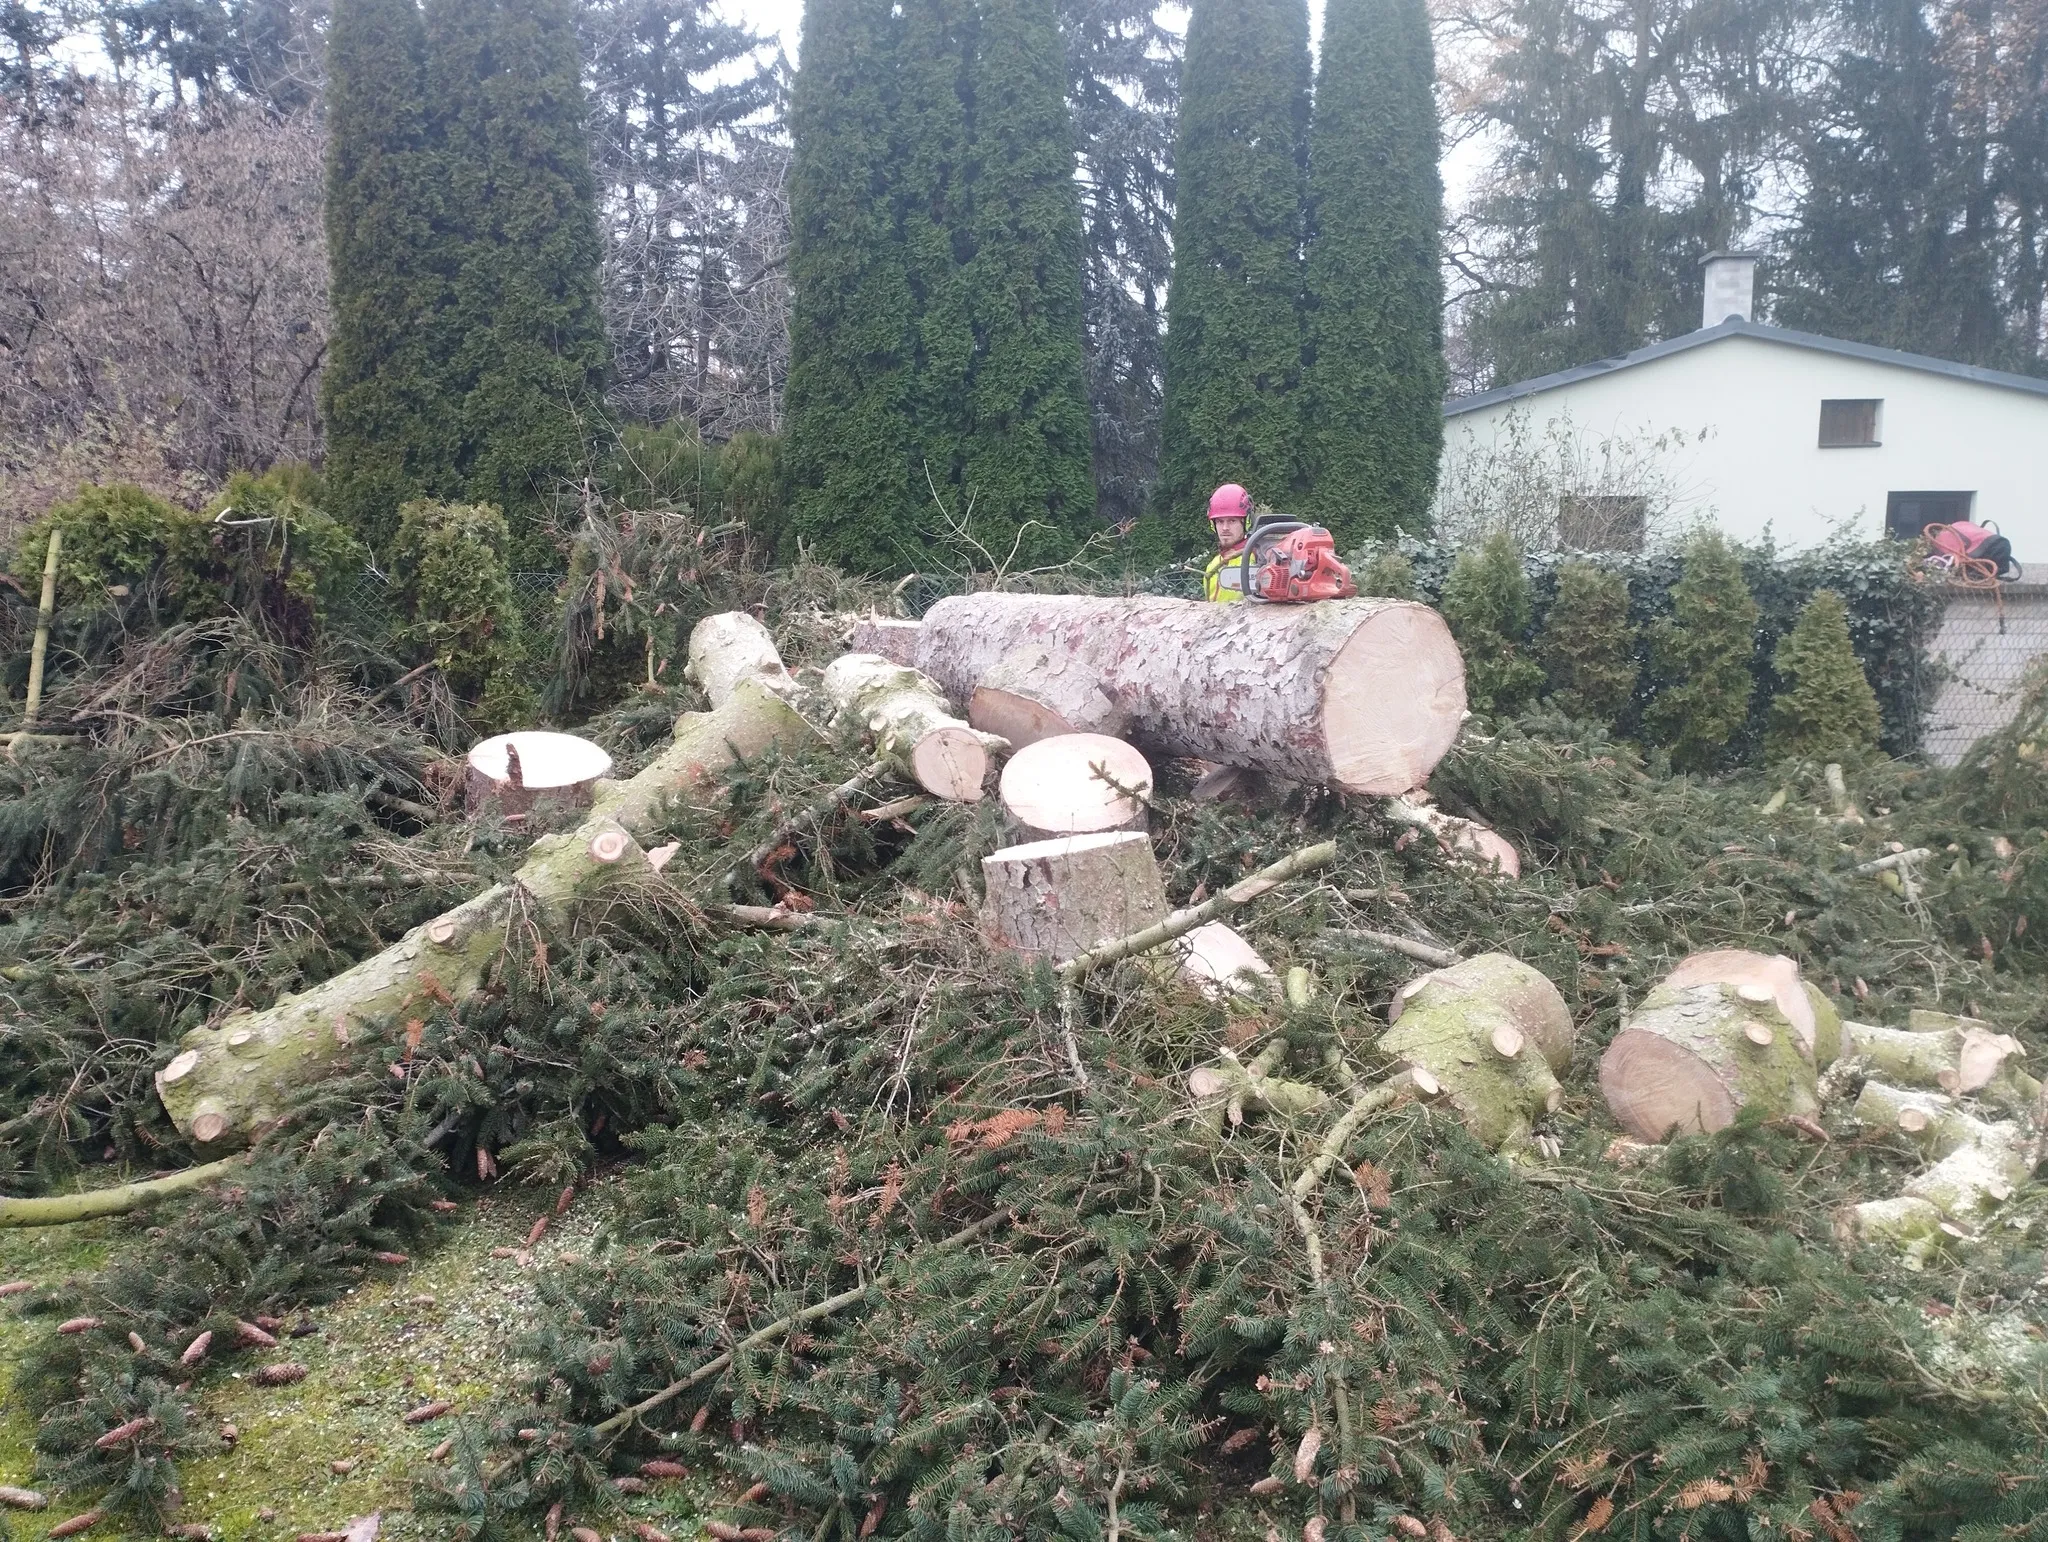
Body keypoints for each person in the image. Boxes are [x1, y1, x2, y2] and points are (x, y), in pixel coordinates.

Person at [1201, 483, 1252, 602]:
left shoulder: (1257, 558)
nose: (1225, 528)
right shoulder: (1212, 566)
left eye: (1232, 521)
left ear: (1246, 522)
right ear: (1213, 525)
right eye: (1220, 521)